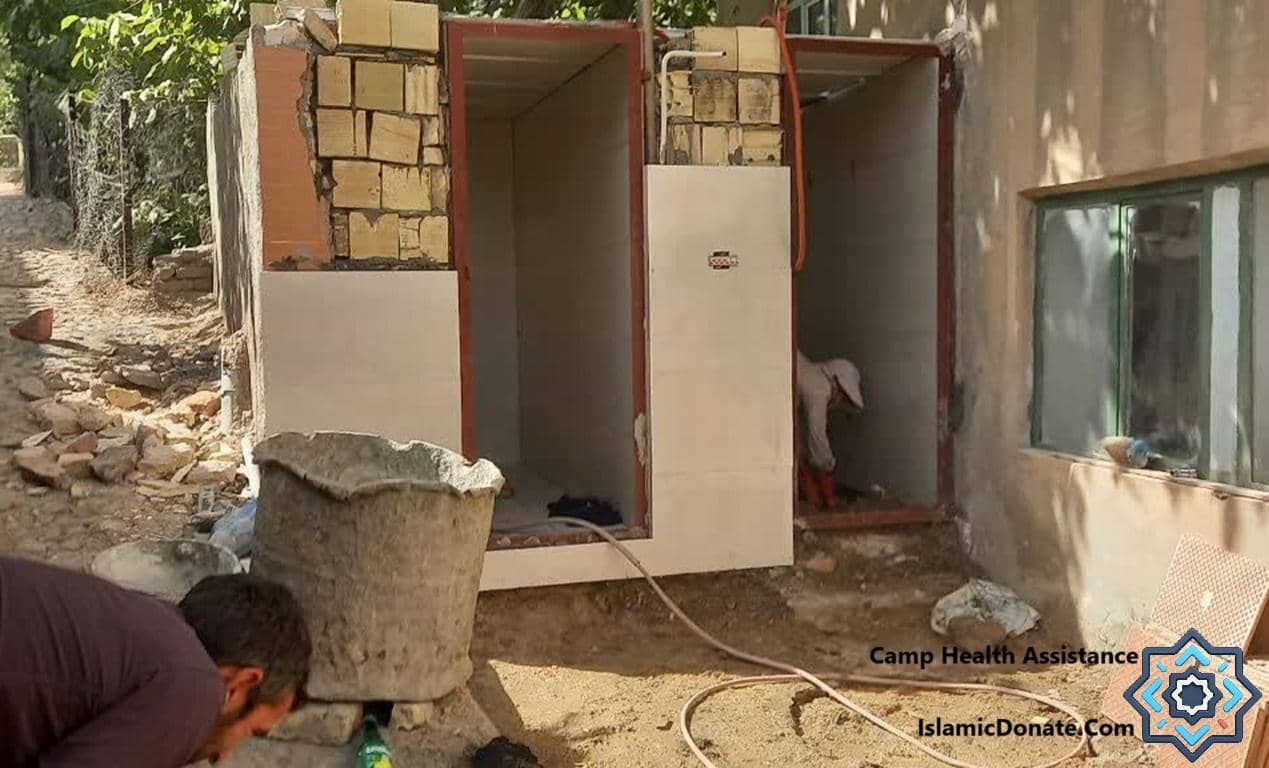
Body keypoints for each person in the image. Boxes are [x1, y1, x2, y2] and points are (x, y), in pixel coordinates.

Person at [0, 556, 311, 767]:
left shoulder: (144, 627)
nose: (223, 757)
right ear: (241, 683)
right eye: (252, 731)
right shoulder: (195, 685)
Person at [796, 350, 865, 508]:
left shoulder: (812, 376)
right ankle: (822, 504)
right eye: (841, 394)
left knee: (800, 455)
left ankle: (816, 502)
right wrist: (827, 466)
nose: (839, 400)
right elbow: (817, 435)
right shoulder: (819, 390)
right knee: (806, 457)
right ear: (834, 381)